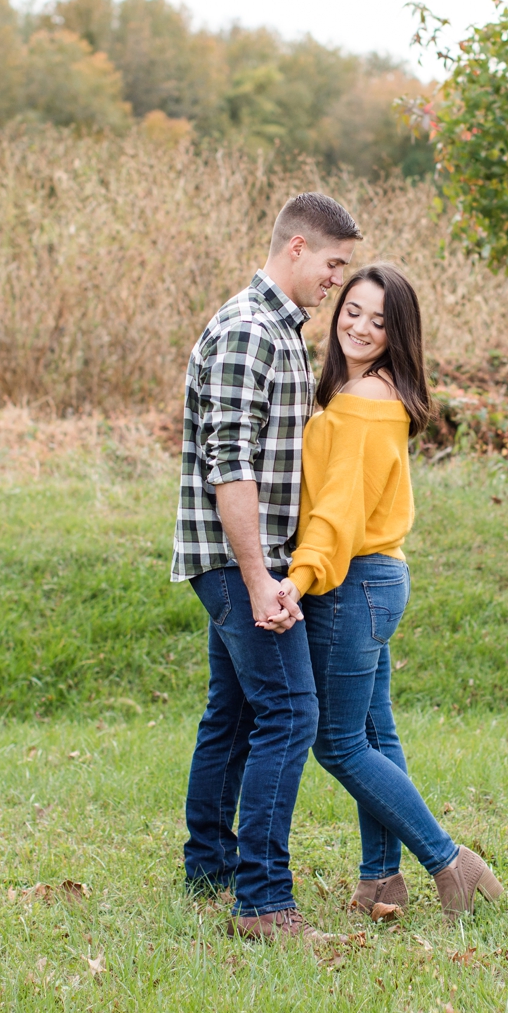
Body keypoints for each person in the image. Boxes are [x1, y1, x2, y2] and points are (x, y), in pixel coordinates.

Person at [282, 263, 504, 922]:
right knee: (373, 733)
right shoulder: (369, 391)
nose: (360, 326)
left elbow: (339, 512)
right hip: (378, 578)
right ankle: (381, 882)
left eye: (380, 321)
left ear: (397, 334)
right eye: (353, 309)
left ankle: (450, 862)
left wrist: (297, 582)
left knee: (339, 743)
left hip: (352, 580)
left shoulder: (363, 402)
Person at [172, 191, 360, 942]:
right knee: (292, 713)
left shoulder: (281, 330)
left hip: (251, 557)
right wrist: (258, 578)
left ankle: (211, 867)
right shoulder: (251, 332)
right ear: (296, 250)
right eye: (333, 264)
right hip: (234, 559)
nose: (338, 282)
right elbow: (231, 466)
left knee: (237, 711)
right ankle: (263, 903)